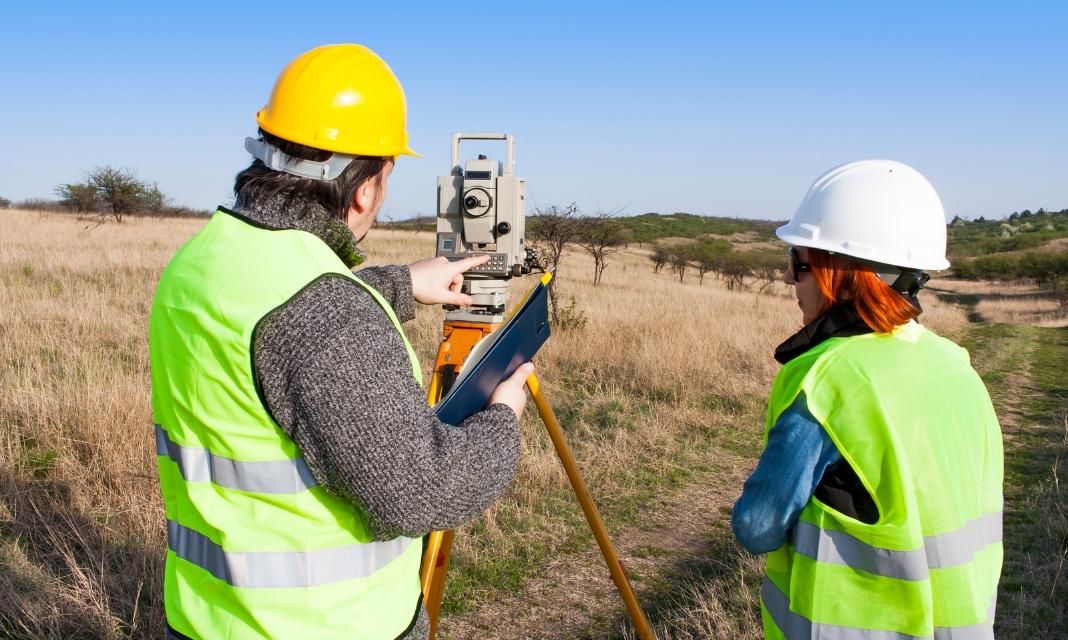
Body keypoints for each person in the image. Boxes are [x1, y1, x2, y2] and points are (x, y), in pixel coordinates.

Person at [149, 44, 532, 640]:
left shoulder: (198, 264)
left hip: (206, 618)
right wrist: (504, 417)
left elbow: (277, 324)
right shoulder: (324, 314)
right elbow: (420, 491)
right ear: (363, 189)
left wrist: (402, 283)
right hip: (325, 626)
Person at [732, 160, 1004, 639]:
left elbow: (757, 527)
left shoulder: (825, 380)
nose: (791, 282)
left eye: (799, 264)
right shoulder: (956, 366)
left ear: (837, 273)